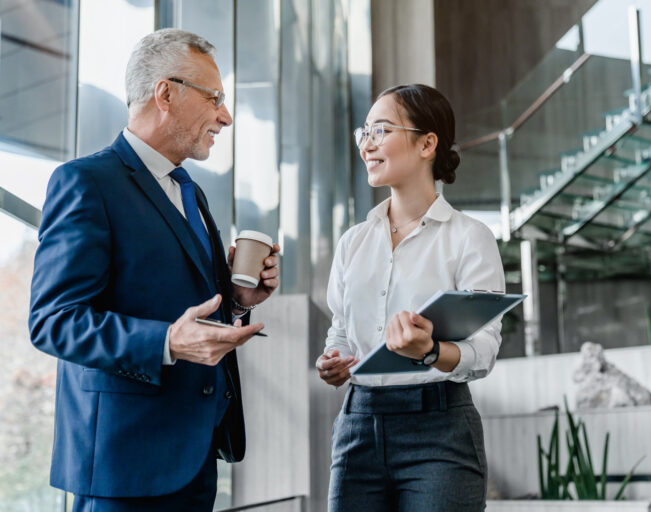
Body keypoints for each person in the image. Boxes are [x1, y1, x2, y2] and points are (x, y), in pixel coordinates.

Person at [28, 29, 279, 511]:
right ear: (166, 93)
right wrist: (166, 342)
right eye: (215, 98)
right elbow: (52, 321)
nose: (225, 116)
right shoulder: (85, 183)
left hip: (195, 458)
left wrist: (239, 302)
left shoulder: (190, 192)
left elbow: (188, 307)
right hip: (123, 468)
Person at [315, 84, 505, 511]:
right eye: (363, 133)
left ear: (427, 143)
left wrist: (431, 351)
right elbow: (342, 331)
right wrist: (333, 359)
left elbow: (485, 351)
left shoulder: (469, 238)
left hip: (439, 428)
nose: (367, 144)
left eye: (380, 130)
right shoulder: (352, 243)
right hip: (358, 424)